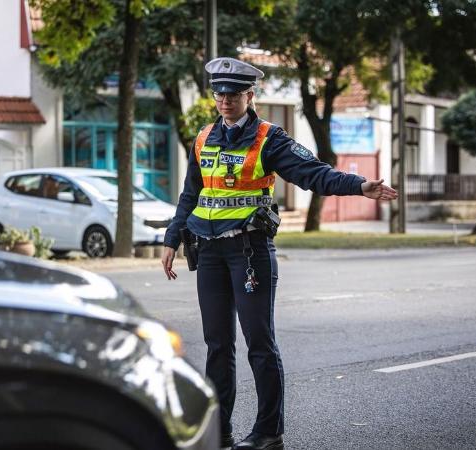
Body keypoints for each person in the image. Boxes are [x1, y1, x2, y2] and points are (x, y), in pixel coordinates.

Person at [161, 57, 398, 450]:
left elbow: (314, 173)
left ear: (250, 95)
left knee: (259, 343)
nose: (225, 100)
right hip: (210, 253)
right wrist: (172, 239)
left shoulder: (269, 138)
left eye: (233, 94)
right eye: (219, 93)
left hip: (249, 251)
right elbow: (191, 194)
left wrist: (359, 185)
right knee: (217, 346)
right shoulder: (203, 137)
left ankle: (269, 432)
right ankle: (218, 432)